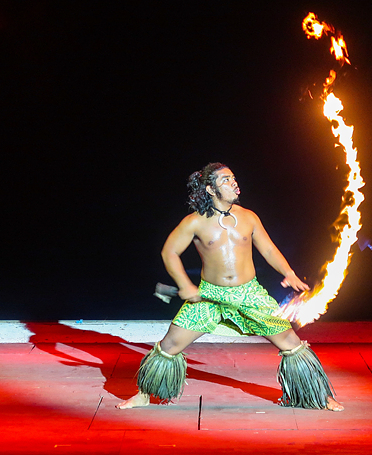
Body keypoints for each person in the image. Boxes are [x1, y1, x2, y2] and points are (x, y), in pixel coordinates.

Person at [117, 162, 343, 411]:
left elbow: (268, 249)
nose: (234, 182)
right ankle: (144, 394)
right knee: (170, 345)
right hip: (209, 296)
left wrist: (288, 273)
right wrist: (185, 284)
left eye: (233, 178)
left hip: (249, 294)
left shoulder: (248, 217)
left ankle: (321, 397)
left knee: (291, 342)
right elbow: (169, 251)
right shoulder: (195, 222)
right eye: (226, 180)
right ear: (211, 189)